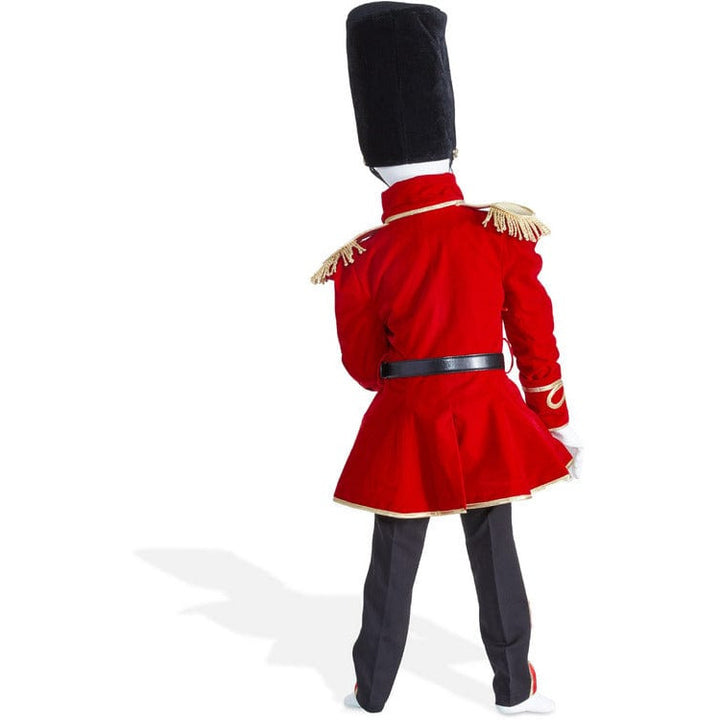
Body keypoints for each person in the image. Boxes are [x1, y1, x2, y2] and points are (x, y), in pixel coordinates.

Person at [311, 2, 584, 714]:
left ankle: (371, 691)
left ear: (373, 158)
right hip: (488, 411)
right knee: (495, 553)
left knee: (391, 562)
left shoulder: (361, 258)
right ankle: (512, 685)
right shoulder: (500, 231)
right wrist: (550, 416)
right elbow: (535, 337)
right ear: (450, 142)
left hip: (407, 418)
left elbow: (363, 369)